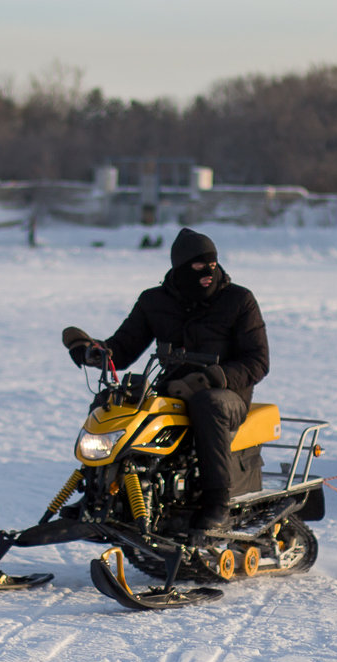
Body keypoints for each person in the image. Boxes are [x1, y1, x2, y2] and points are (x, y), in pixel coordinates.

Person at [67, 227, 269, 536]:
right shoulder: (154, 301)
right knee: (112, 401)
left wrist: (214, 377)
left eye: (213, 264)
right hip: (172, 389)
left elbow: (258, 360)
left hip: (226, 394)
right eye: (200, 265)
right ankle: (98, 493)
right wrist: (95, 354)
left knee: (206, 403)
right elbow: (122, 347)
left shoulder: (238, 300)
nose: (208, 271)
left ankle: (218, 501)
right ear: (181, 268)